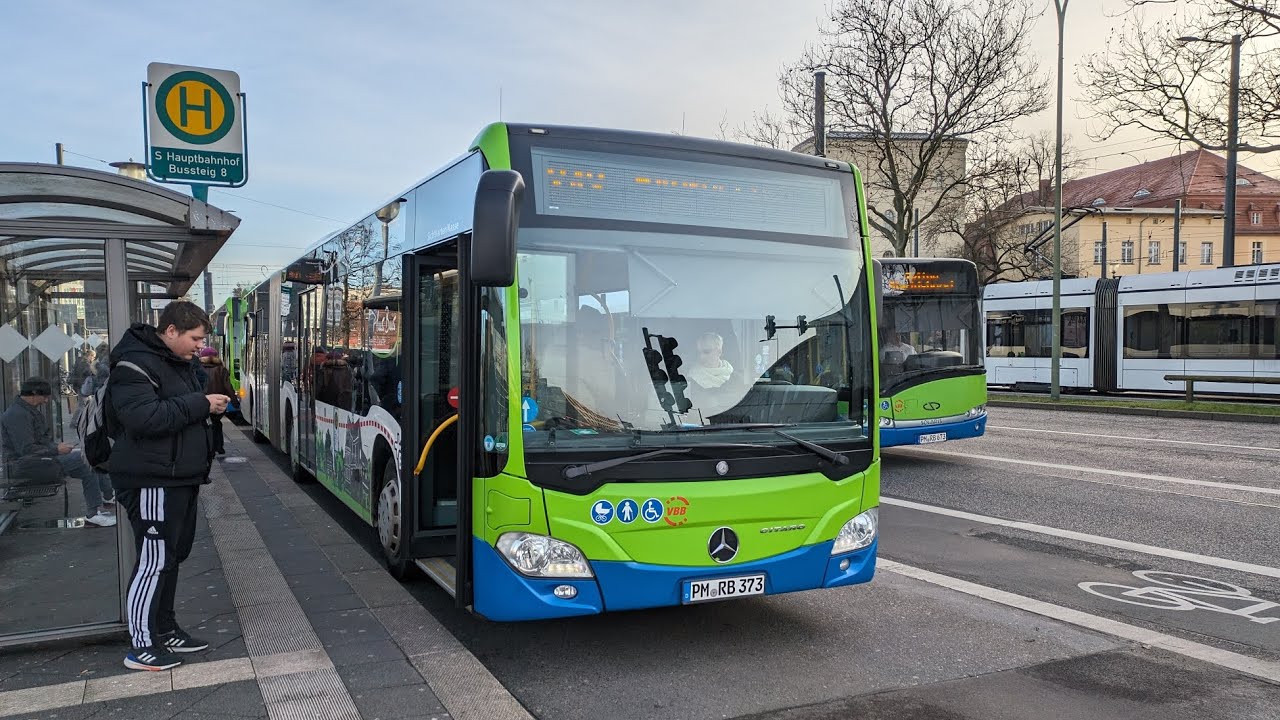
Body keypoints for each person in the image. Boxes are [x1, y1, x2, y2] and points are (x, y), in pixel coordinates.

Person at [109, 301, 230, 671]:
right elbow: (143, 417)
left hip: (178, 476)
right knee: (154, 560)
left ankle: (164, 627)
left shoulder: (178, 362)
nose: (199, 346)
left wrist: (209, 407)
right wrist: (201, 404)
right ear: (171, 331)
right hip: (153, 479)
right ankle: (141, 645)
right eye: (195, 338)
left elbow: (180, 408)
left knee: (171, 556)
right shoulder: (133, 364)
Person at [1, 377, 117, 527]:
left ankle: (106, 499)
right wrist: (56, 449)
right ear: (34, 393)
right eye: (44, 397)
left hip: (37, 461)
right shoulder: (17, 415)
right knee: (86, 461)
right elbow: (26, 450)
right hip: (26, 466)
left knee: (89, 456)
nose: (46, 401)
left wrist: (57, 448)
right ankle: (94, 512)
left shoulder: (25, 411)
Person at [199, 347, 234, 455]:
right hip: (219, 401)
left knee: (205, 425)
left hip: (202, 401)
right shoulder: (221, 370)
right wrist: (234, 400)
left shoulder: (197, 369)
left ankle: (209, 448)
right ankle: (219, 446)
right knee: (217, 423)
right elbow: (228, 386)